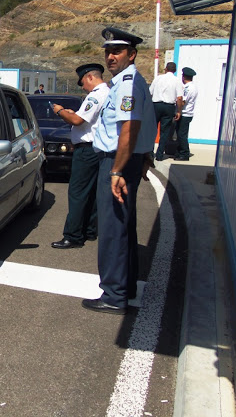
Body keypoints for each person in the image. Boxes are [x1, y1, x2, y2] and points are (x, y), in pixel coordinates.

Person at [81, 27, 157, 315]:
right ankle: (127, 286)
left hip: (116, 162)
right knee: (124, 225)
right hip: (126, 160)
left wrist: (117, 170)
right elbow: (143, 123)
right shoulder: (132, 81)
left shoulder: (126, 84)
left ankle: (114, 294)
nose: (110, 56)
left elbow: (129, 128)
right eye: (107, 52)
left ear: (131, 54)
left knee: (113, 229)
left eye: (117, 52)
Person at [50, 63, 108, 249]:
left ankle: (73, 236)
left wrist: (60, 111)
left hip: (87, 150)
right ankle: (89, 230)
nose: (82, 86)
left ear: (90, 77)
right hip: (97, 148)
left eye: (83, 82)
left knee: (77, 193)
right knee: (91, 193)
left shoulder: (96, 95)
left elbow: (77, 120)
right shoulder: (107, 92)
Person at [149, 62, 183, 161]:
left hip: (156, 105)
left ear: (165, 69)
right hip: (169, 106)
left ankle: (150, 153)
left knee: (152, 130)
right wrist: (179, 111)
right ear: (175, 70)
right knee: (165, 131)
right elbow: (179, 98)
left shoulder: (158, 78)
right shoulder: (177, 81)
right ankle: (159, 155)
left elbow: (150, 92)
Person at [174, 67, 198, 161]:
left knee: (181, 135)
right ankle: (180, 152)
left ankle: (184, 153)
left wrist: (178, 110)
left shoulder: (188, 88)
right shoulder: (193, 87)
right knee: (181, 134)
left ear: (184, 77)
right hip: (187, 113)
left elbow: (183, 101)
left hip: (185, 113)